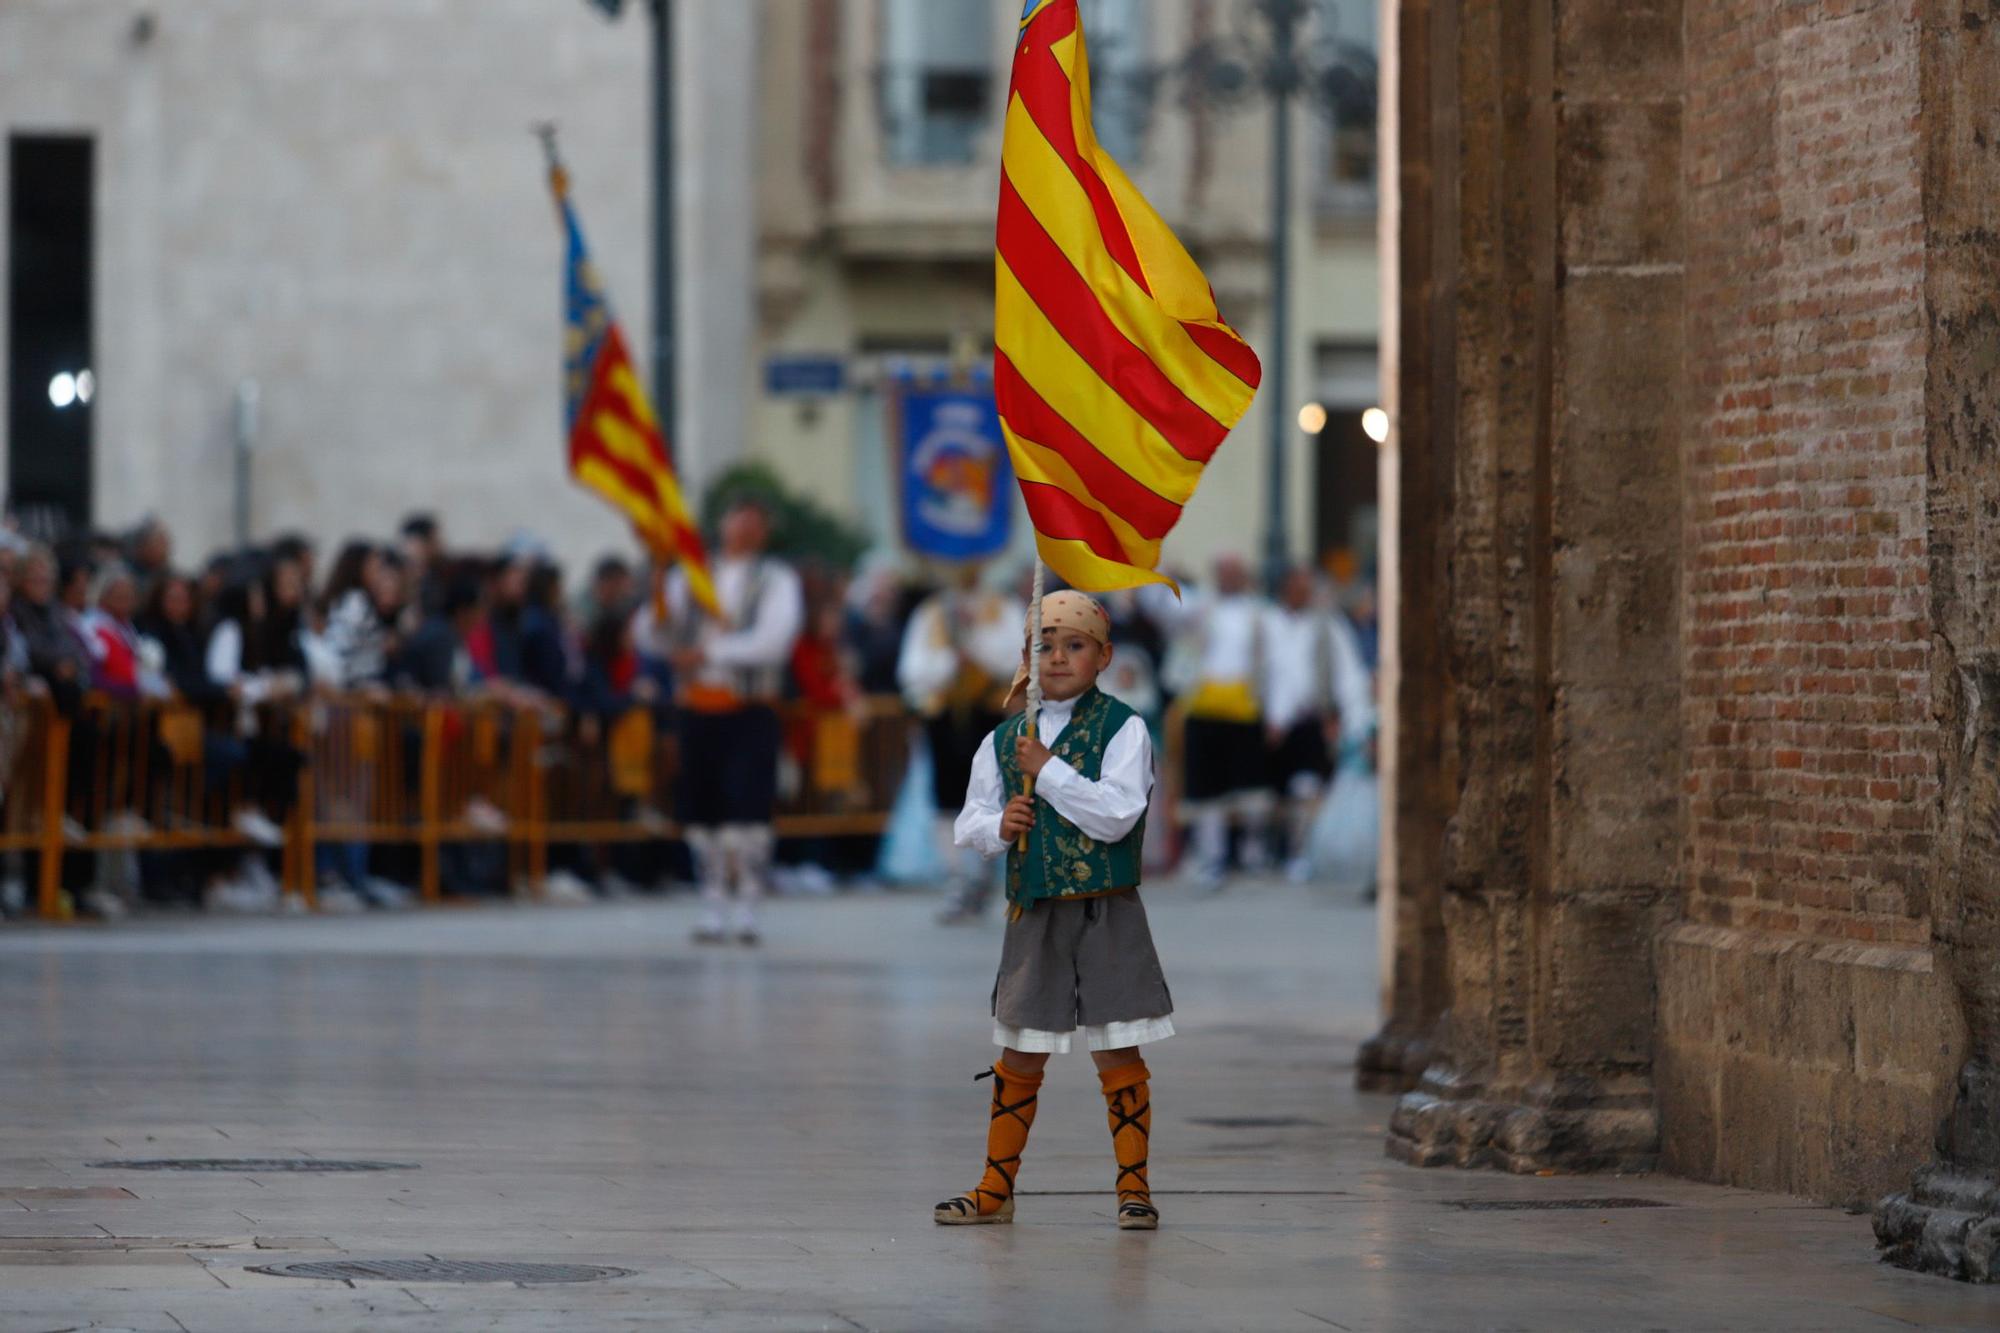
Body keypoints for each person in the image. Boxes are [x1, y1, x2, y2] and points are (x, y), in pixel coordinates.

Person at [934, 591, 1169, 1232]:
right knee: (1020, 1049)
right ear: (1026, 657)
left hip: (1107, 908)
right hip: (1033, 909)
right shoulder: (1005, 737)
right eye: (1044, 645)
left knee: (1119, 1049)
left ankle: (1134, 1187)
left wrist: (1050, 771)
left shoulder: (1125, 728)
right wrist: (1000, 826)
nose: (1058, 657)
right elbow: (970, 820)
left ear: (1103, 657)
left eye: (1074, 646)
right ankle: (994, 1187)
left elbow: (1118, 814)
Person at [651, 497, 803, 945]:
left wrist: (711, 652)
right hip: (698, 704)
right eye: (738, 515)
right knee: (703, 811)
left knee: (749, 811)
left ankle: (748, 907)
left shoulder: (775, 578)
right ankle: (712, 904)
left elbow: (774, 641)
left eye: (754, 519)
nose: (744, 526)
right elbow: (655, 634)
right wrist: (657, 589)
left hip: (750, 705)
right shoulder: (690, 577)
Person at [897, 564, 1022, 923]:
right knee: (947, 797)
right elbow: (912, 669)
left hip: (988, 713)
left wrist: (976, 642)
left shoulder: (1002, 608)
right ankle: (958, 877)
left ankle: (981, 874)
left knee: (989, 792)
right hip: (945, 714)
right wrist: (950, 661)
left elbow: (1015, 657)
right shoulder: (931, 613)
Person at [1149, 554, 1274, 886]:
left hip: (1245, 707)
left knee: (1250, 788)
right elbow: (1162, 610)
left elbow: (1272, 663)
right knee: (1206, 790)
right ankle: (1211, 857)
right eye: (1223, 572)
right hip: (1204, 706)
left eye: (1235, 572)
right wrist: (1160, 572)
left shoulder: (1258, 612)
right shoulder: (1200, 606)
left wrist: (1276, 709)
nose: (1229, 577)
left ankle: (1250, 853)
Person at [1263, 567, 1336, 881]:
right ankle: (1271, 851)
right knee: (1274, 794)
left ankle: (1300, 852)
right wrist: (1272, 717)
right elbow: (1268, 674)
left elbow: (1339, 671)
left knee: (1307, 789)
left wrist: (1333, 713)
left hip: (1309, 719)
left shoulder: (1323, 625)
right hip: (1273, 721)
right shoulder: (1268, 623)